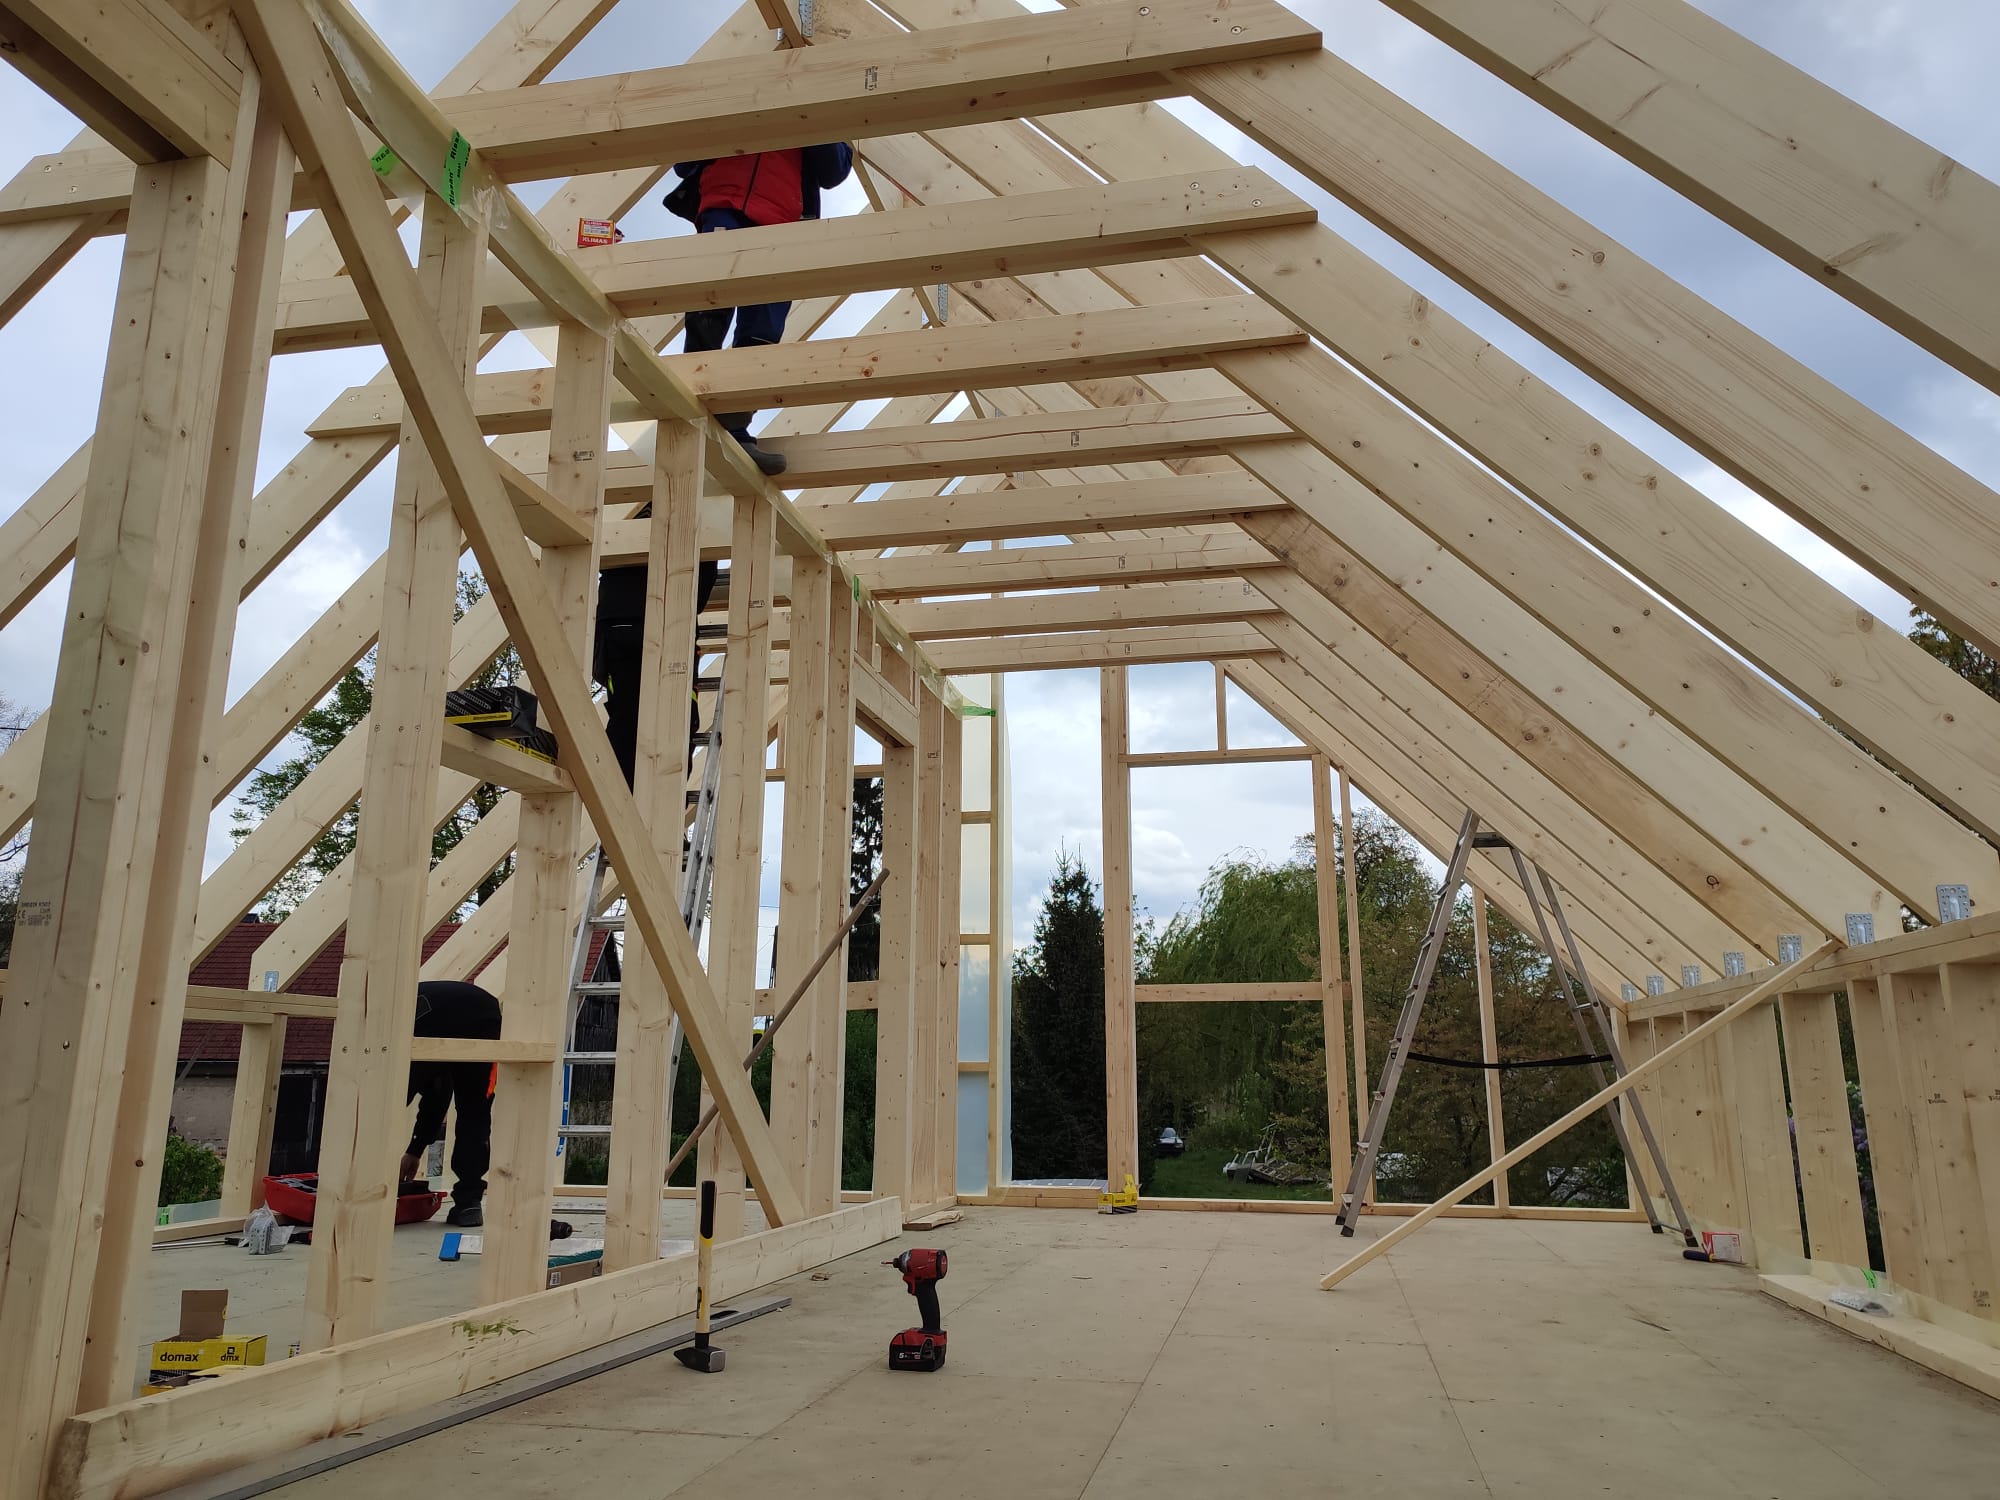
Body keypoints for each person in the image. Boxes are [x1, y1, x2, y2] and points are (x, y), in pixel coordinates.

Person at [668, 143, 856, 476]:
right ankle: (690, 408)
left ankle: (735, 427)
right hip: (725, 204)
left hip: (783, 223)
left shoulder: (818, 114)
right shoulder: (731, 103)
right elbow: (684, 159)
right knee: (709, 308)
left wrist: (809, 119)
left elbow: (833, 171)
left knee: (762, 333)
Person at [594, 555, 722, 789]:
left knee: (626, 717)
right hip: (671, 624)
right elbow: (703, 583)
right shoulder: (694, 531)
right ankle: (663, 798)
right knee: (676, 718)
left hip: (617, 623)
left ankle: (620, 797)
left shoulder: (622, 529)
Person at [399, 979, 502, 1228]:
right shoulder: (404, 999)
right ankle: (469, 1204)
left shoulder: (391, 1013)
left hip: (430, 1014)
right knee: (475, 1112)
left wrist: (414, 1149)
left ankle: (366, 1190)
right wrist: (415, 1150)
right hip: (485, 1014)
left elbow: (436, 1097)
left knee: (386, 1100)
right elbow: (438, 1097)